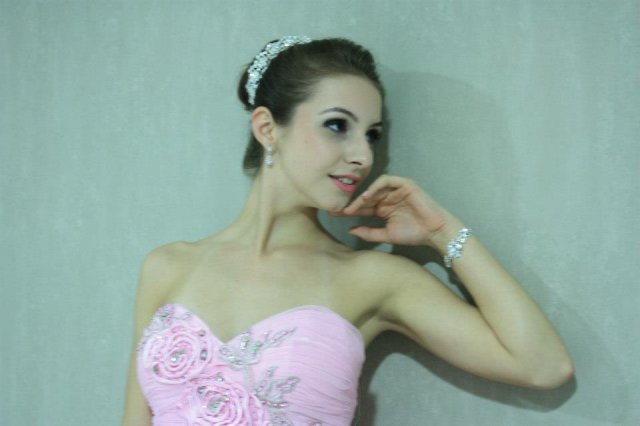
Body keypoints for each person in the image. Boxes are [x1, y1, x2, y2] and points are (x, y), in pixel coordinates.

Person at [122, 36, 574, 425]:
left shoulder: (373, 278)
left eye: (372, 135)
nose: (363, 155)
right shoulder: (167, 266)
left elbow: (543, 366)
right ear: (267, 128)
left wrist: (442, 231)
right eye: (337, 126)